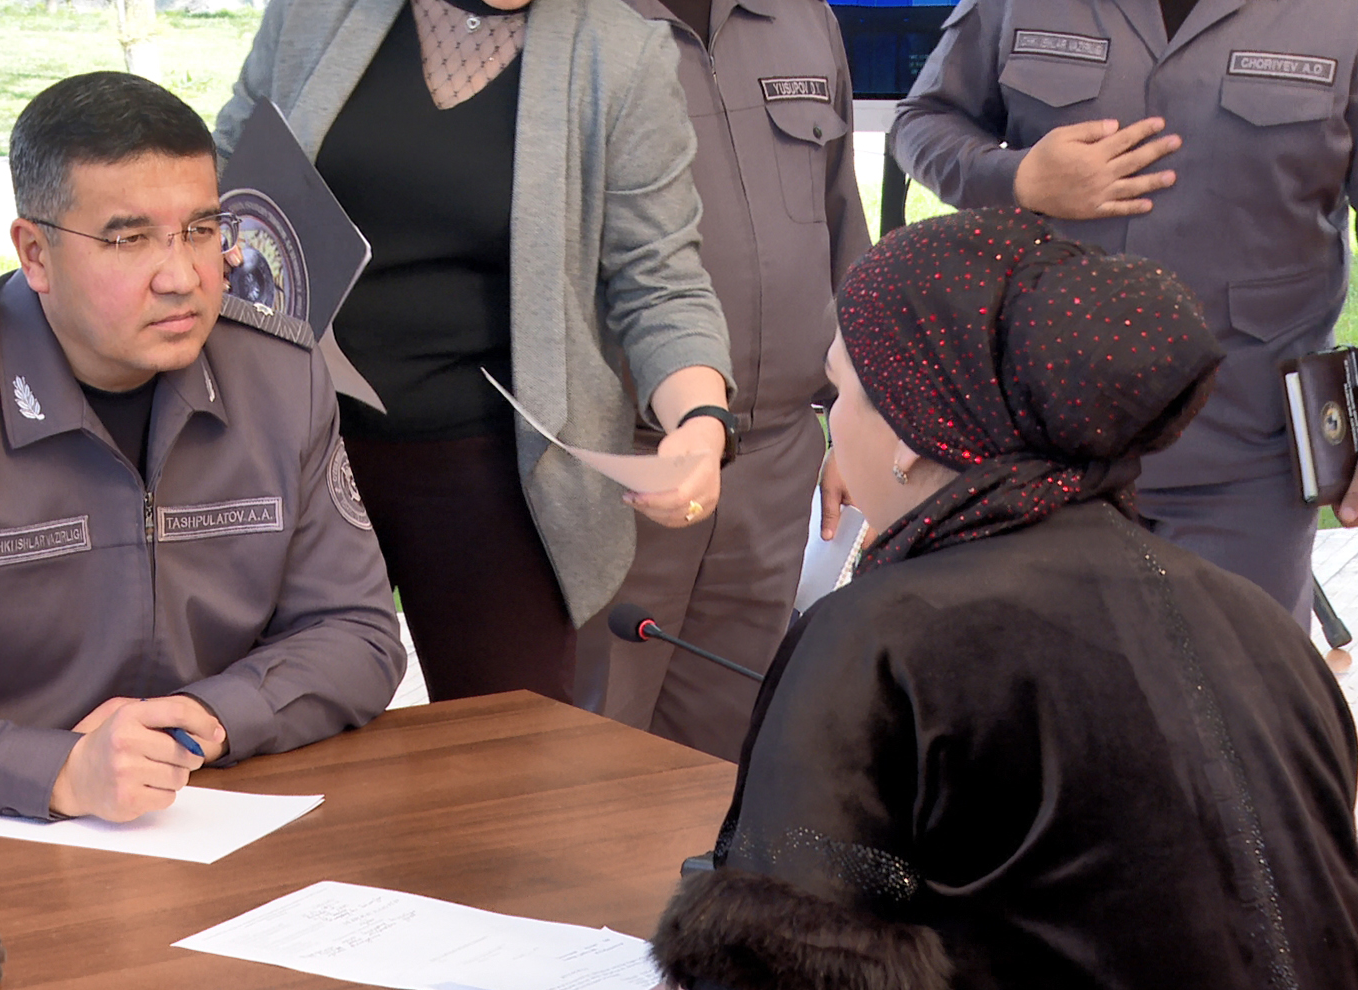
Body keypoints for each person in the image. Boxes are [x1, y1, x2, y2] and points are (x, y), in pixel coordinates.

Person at [649, 209, 1358, 990]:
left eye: (840, 392)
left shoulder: (880, 634)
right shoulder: (1261, 625)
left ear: (911, 428)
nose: (834, 427)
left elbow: (778, 964)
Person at [0, 72, 407, 823]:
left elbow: (357, 632)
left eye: (201, 230)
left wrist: (209, 716)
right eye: (129, 239)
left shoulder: (283, 376)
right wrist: (59, 771)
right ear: (35, 254)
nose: (182, 277)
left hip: (214, 815)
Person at [215, 0, 735, 704]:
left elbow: (660, 281)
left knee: (508, 745)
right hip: (293, 445)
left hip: (494, 470)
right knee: (276, 716)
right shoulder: (315, 12)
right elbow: (225, 184)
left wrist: (700, 424)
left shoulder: (620, 53)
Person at [889, 0, 1358, 628]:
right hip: (1037, 453)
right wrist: (1016, 178)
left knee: (1237, 680)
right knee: (1048, 682)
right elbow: (923, 121)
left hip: (1249, 460)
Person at [572, 0, 872, 760]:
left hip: (776, 467)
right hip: (622, 467)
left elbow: (842, 221)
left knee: (728, 751)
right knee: (587, 746)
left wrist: (858, 412)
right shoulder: (570, 24)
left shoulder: (803, 17)